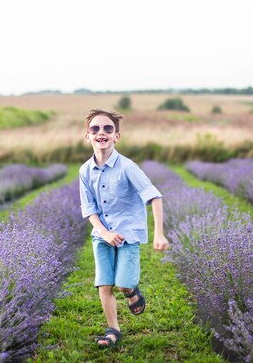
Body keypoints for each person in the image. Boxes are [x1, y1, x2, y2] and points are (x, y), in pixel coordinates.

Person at [78, 108, 169, 348]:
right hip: (101, 235)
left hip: (128, 236)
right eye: (95, 129)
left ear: (116, 136)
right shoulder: (84, 171)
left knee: (123, 283)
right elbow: (89, 209)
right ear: (87, 136)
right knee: (104, 283)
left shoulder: (128, 167)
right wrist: (103, 232)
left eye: (108, 128)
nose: (101, 133)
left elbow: (154, 197)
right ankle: (113, 330)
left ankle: (131, 291)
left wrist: (159, 233)